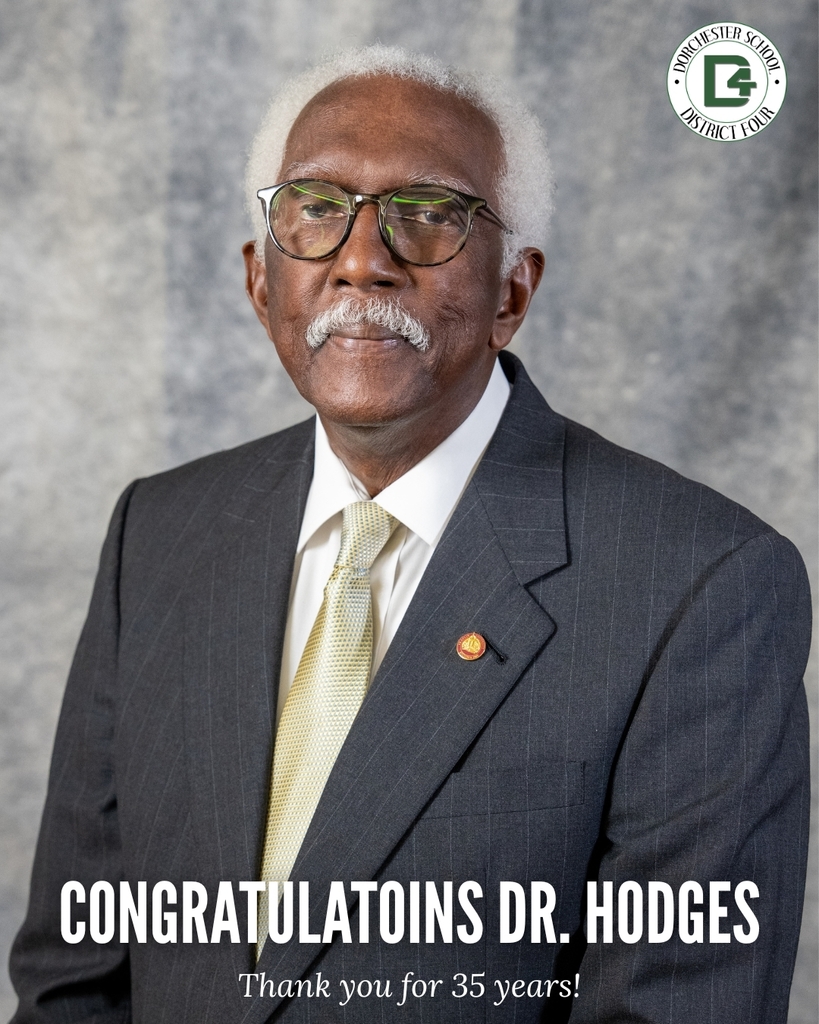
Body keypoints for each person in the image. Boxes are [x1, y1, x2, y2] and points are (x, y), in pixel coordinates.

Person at [10, 45, 811, 1024]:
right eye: (316, 206)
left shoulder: (701, 586)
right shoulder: (159, 533)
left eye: (428, 216)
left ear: (513, 290)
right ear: (262, 280)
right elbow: (72, 980)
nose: (361, 258)